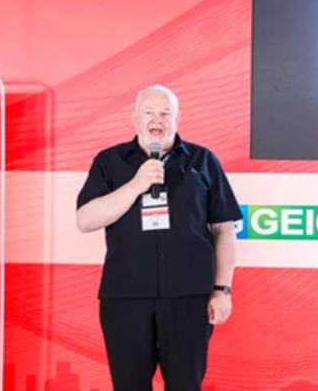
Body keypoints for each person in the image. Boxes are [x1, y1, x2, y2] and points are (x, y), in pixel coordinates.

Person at [76, 85, 241, 390]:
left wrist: (222, 290)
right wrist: (136, 185)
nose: (158, 119)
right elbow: (85, 220)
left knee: (185, 384)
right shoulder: (109, 161)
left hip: (189, 297)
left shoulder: (202, 160)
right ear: (135, 118)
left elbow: (224, 229)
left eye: (166, 113)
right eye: (149, 112)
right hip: (126, 296)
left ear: (177, 119)